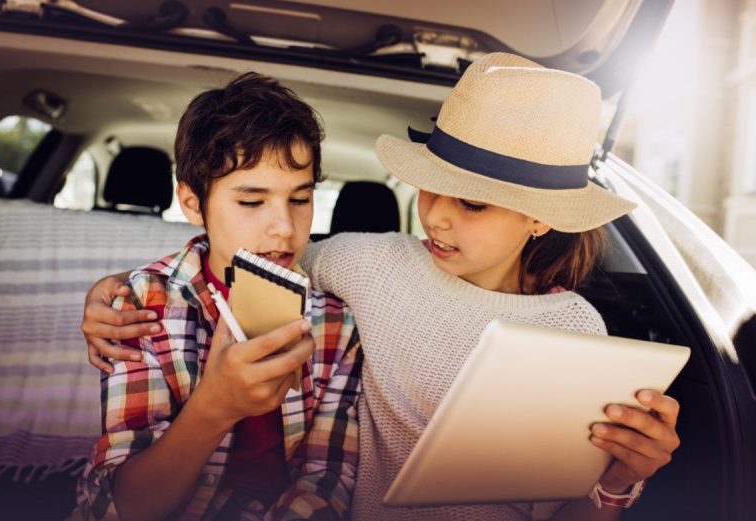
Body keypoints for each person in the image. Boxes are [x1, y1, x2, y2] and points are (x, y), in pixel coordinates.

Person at [81, 53, 681, 521]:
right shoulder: (368, 267)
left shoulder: (577, 331)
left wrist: (618, 483)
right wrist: (115, 287)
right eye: (429, 187)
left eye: (471, 203)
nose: (437, 218)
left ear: (540, 217)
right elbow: (249, 257)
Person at [74, 72, 362, 521]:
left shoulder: (337, 321)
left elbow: (325, 482)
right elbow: (126, 506)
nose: (284, 228)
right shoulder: (140, 306)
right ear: (191, 204)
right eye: (252, 202)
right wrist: (214, 405)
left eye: (301, 200)